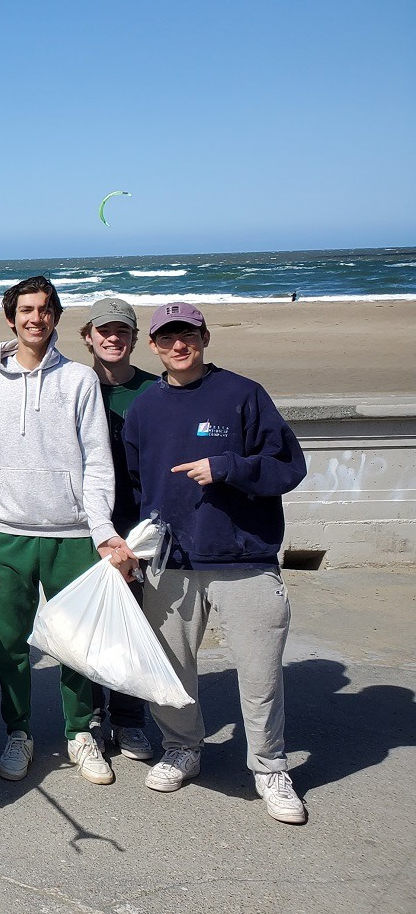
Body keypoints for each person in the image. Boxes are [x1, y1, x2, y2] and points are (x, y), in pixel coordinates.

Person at [124, 301, 309, 824]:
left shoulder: (243, 395)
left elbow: (288, 466)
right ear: (154, 346)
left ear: (205, 337)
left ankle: (270, 767)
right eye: (168, 338)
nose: (179, 346)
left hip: (244, 559)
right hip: (171, 563)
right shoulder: (144, 409)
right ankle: (183, 748)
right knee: (171, 671)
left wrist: (228, 467)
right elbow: (137, 485)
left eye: (188, 335)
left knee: (260, 673)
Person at [0, 276, 136, 786]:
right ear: (10, 318)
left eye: (44, 309)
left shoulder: (80, 382)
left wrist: (102, 529)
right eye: (25, 310)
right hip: (8, 534)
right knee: (8, 643)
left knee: (76, 644)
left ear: (56, 317)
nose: (34, 318)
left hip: (73, 535)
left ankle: (79, 732)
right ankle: (19, 732)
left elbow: (97, 462)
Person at [78, 297, 158, 763]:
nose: (113, 338)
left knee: (133, 626)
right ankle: (89, 717)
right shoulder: (73, 384)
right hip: (84, 525)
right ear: (88, 335)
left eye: (122, 331)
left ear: (134, 339)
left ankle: (128, 720)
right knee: (89, 624)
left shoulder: (154, 390)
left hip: (138, 526)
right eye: (104, 331)